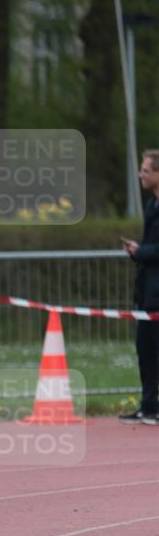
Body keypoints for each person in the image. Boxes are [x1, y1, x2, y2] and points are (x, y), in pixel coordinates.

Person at [119, 149, 159, 426]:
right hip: (148, 291)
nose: (140, 175)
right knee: (145, 349)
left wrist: (140, 251)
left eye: (145, 170)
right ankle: (149, 406)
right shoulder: (150, 205)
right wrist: (139, 251)